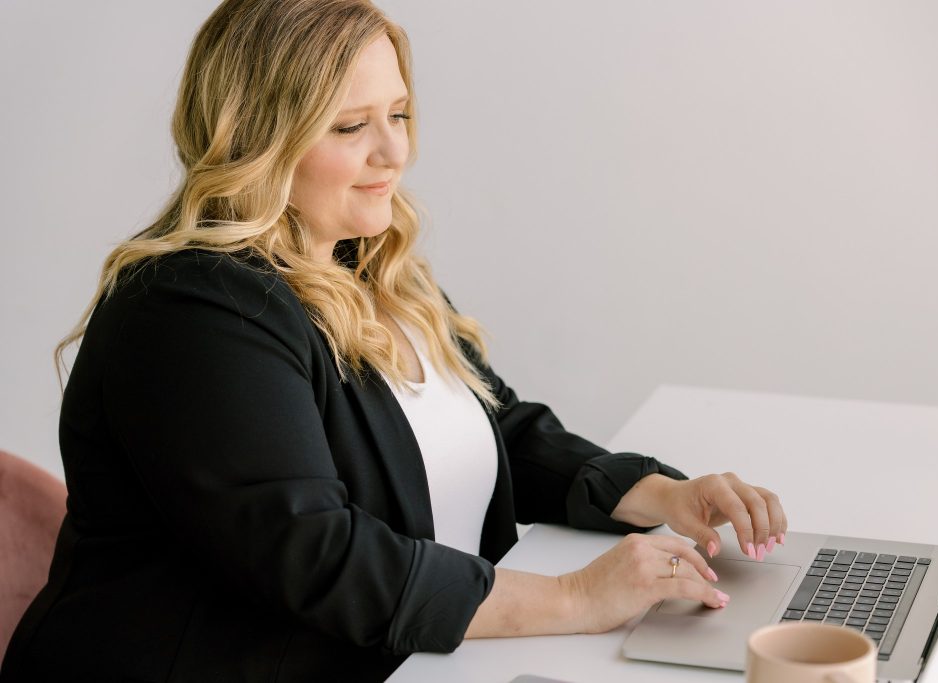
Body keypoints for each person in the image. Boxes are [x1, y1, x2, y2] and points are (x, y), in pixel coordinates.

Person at [0, 1, 787, 681]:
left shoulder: (366, 264)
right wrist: (576, 598)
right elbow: (316, 552)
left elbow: (495, 427)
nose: (394, 153)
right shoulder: (194, 308)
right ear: (256, 139)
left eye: (398, 114)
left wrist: (663, 498)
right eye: (351, 126)